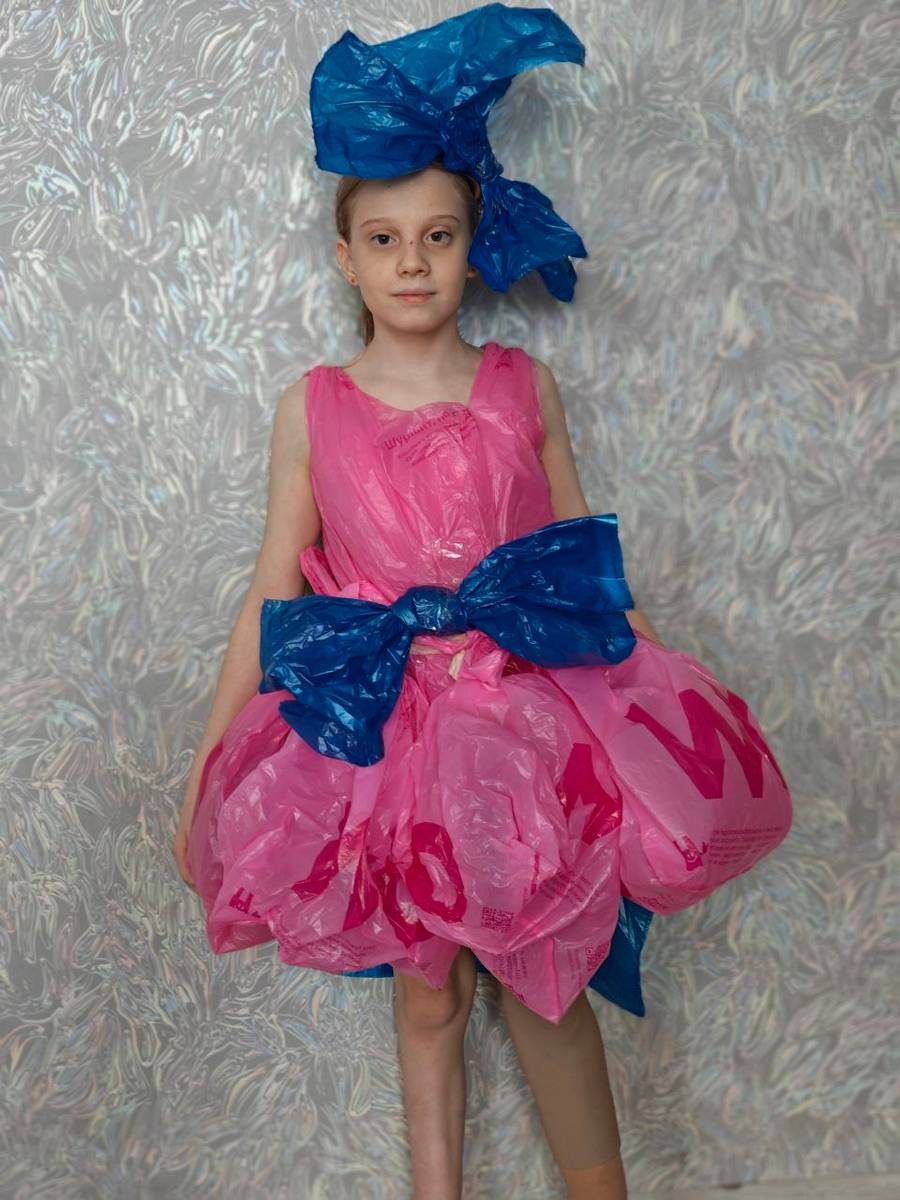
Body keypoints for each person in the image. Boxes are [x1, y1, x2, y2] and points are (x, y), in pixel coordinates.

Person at [173, 7, 792, 1199]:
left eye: (438, 235)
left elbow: (579, 573)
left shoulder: (523, 386)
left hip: (520, 721)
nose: (413, 262)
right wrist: (210, 757)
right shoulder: (313, 407)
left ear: (472, 244)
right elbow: (272, 585)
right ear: (347, 260)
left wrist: (670, 692)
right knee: (428, 992)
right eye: (385, 239)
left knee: (548, 974)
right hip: (385, 736)